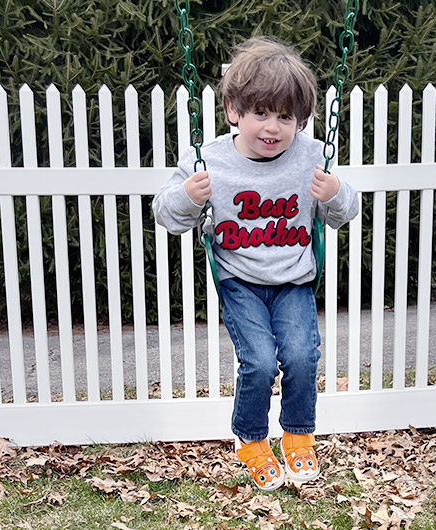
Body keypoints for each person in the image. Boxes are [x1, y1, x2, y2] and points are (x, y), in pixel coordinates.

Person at [152, 36, 359, 491]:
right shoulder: (209, 159)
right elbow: (166, 214)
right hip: (239, 280)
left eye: (285, 116)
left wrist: (336, 193)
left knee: (303, 357)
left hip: (294, 280)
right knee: (261, 363)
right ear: (234, 111)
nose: (273, 127)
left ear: (299, 121)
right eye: (261, 113)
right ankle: (251, 440)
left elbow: (344, 213)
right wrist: (189, 197)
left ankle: (299, 436)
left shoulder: (311, 155)